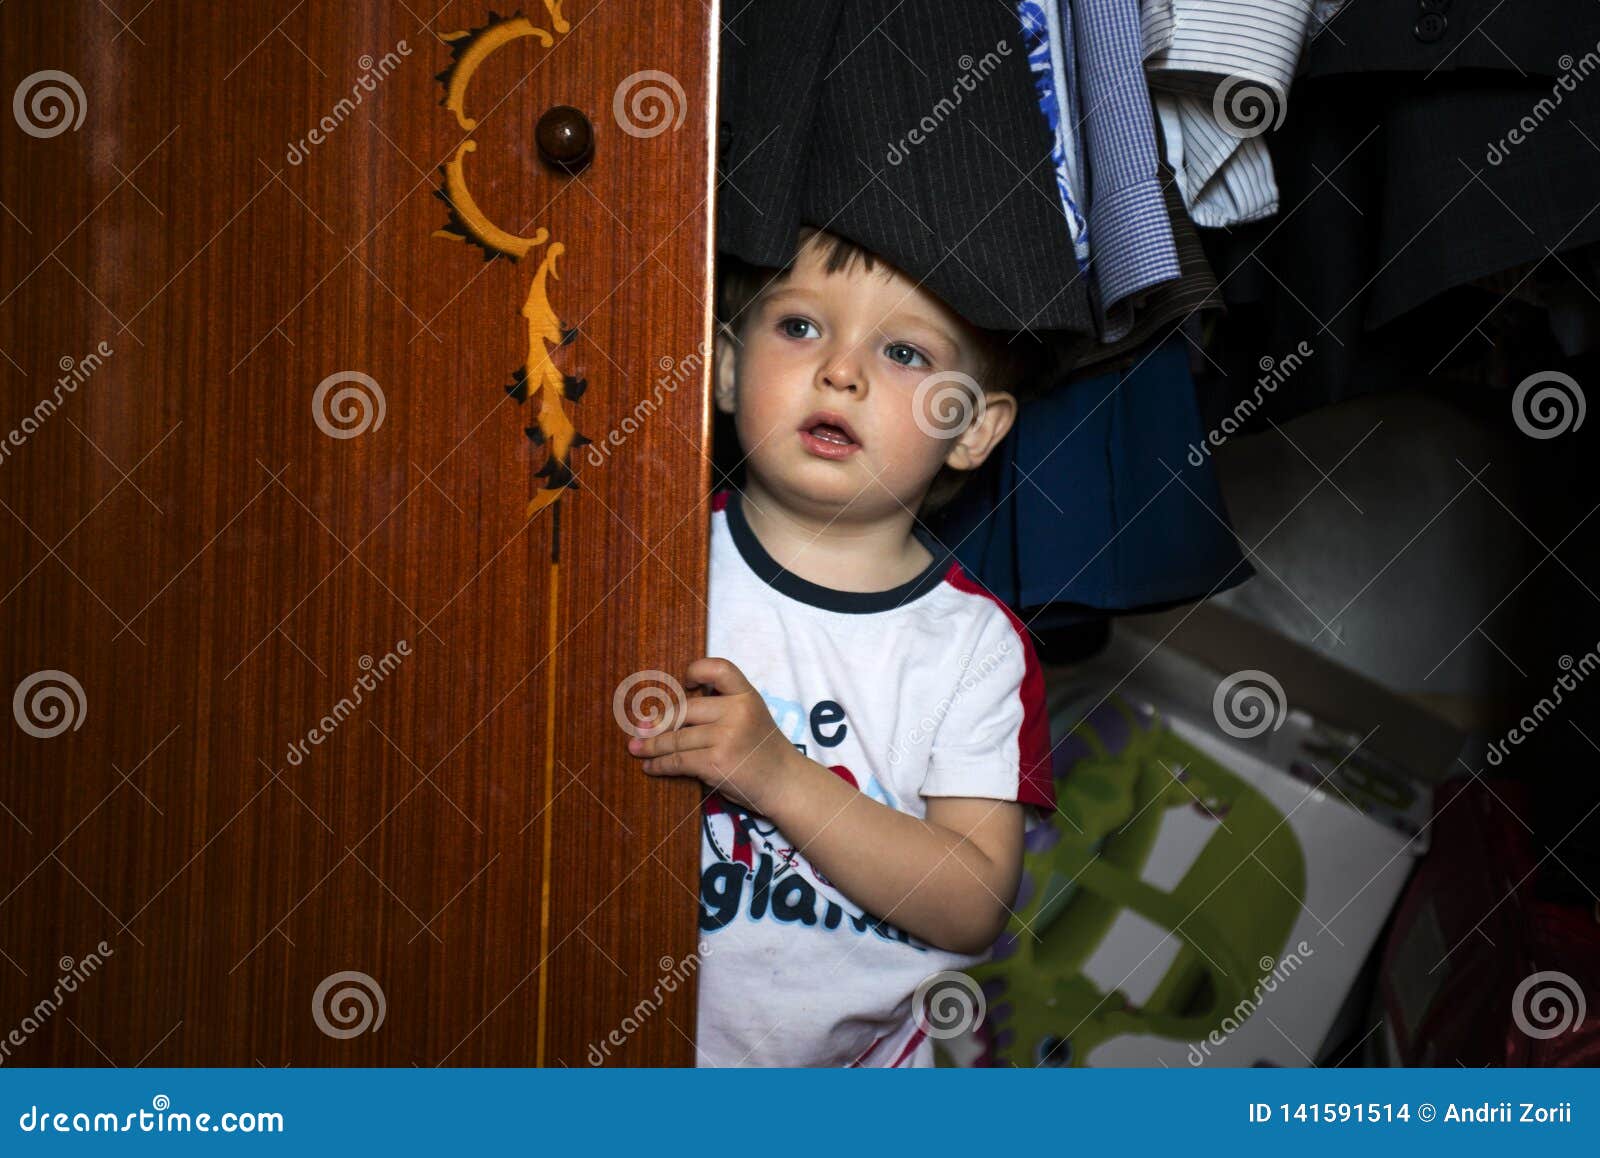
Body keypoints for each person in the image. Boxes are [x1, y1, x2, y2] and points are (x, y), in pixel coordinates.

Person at [625, 227, 1058, 1067]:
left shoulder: (975, 650)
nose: (842, 371)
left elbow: (971, 903)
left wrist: (781, 779)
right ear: (723, 364)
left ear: (972, 427)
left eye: (902, 350)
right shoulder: (646, 556)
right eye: (799, 328)